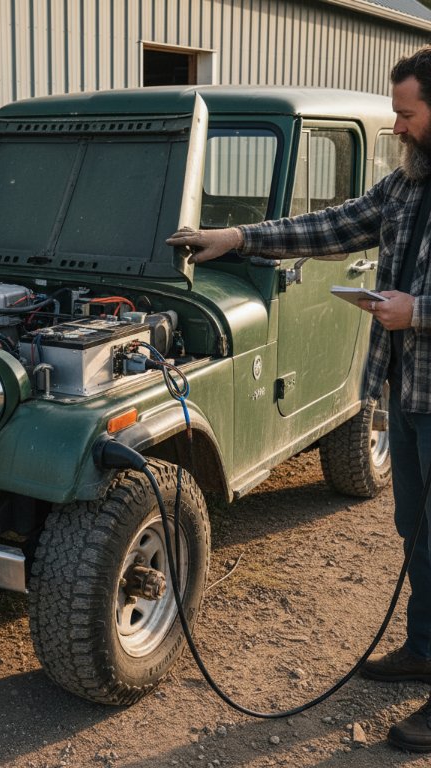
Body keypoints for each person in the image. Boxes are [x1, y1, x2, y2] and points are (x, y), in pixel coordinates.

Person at [167, 46, 431, 753]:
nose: (398, 127)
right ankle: (425, 648)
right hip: (407, 392)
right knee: (416, 531)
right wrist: (235, 237)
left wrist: (420, 311)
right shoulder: (405, 188)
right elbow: (329, 227)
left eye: (406, 114)